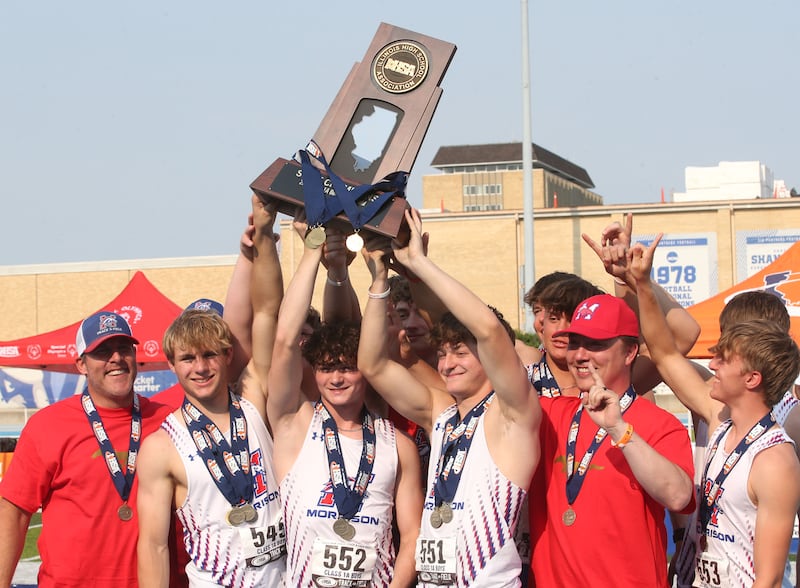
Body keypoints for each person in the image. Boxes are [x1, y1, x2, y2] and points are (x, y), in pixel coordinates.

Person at [359, 209, 541, 586]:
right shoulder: (442, 414)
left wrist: (420, 264)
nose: (446, 363)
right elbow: (373, 365)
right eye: (443, 353)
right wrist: (379, 279)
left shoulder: (511, 413)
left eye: (460, 352)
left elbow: (489, 330)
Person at [264, 213, 422, 587]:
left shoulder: (398, 445)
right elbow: (285, 339)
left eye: (348, 369)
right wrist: (311, 254)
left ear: (366, 371)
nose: (336, 378)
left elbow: (412, 536)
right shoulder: (294, 425)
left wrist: (375, 278)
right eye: (326, 368)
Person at [632, 237, 800, 588]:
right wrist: (640, 284)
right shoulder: (719, 415)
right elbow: (663, 353)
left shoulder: (775, 458)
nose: (711, 364)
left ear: (752, 377)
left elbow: (767, 580)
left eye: (724, 358)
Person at [136, 196, 286, 587]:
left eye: (208, 356)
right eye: (187, 358)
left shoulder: (254, 398)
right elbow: (153, 547)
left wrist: (256, 247)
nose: (200, 367)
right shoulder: (161, 446)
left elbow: (265, 311)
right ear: (171, 364)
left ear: (226, 356)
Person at [528, 292, 695, 587]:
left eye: (595, 345)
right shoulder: (550, 414)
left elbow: (679, 496)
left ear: (630, 352)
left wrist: (619, 430)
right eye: (575, 344)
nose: (580, 355)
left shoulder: (660, 425)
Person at [0, 311, 173, 587]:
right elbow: (14, 512)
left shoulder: (170, 421)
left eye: (123, 348)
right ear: (81, 364)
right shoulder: (47, 425)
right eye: (103, 351)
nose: (116, 358)